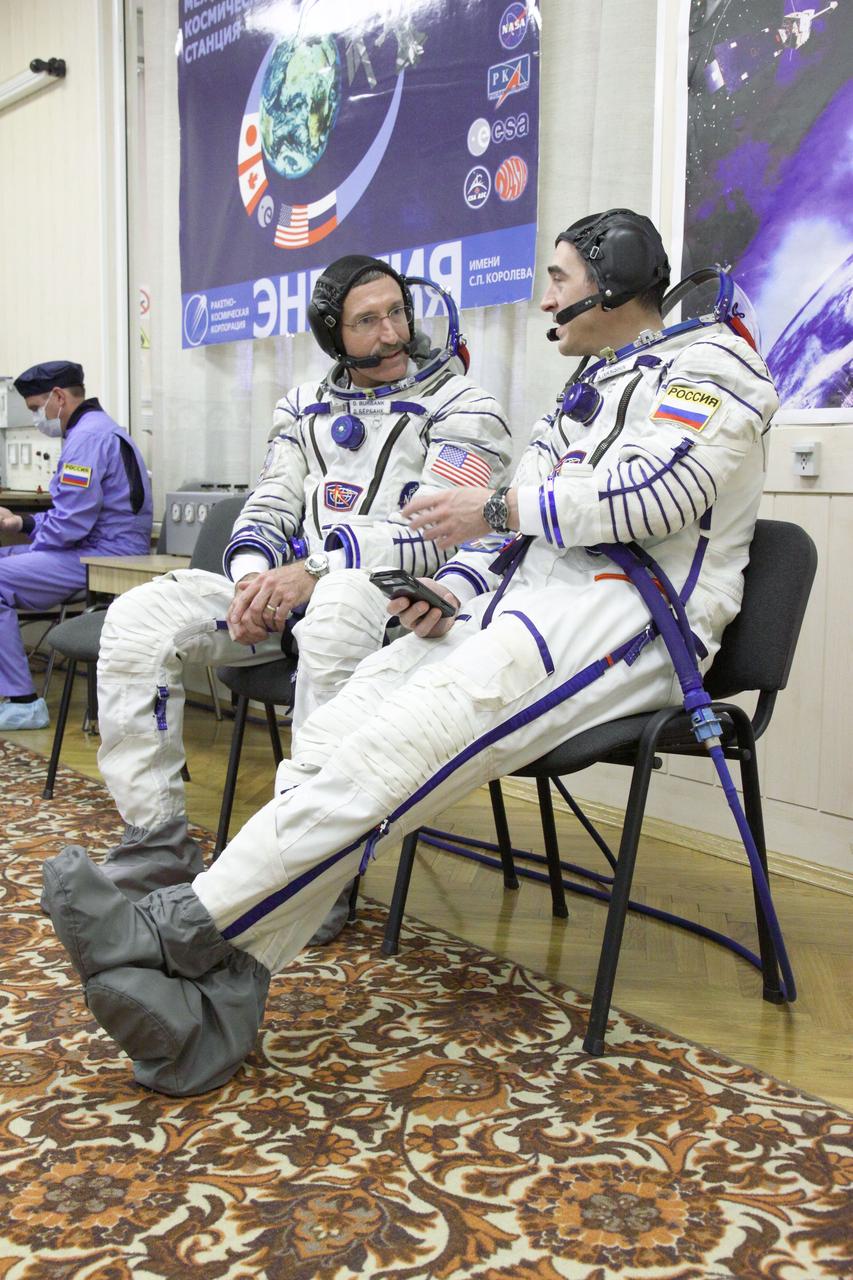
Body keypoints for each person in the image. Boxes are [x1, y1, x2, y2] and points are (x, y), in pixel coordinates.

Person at [43, 209, 779, 1096]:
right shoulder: (587, 381)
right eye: (366, 318)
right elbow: (497, 527)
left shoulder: (710, 367)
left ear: (612, 281)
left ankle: (173, 926)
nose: (545, 296)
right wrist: (452, 591)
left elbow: (653, 493)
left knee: (402, 741)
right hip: (523, 598)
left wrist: (488, 520)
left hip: (635, 612)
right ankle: (230, 987)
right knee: (332, 740)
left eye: (557, 279)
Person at [91, 256, 512, 939]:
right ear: (331, 334)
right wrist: (256, 578)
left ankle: (310, 868)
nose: (389, 332)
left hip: (392, 606)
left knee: (341, 606)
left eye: (396, 313)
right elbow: (271, 501)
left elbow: (438, 536)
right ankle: (155, 846)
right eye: (367, 320)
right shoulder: (303, 407)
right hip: (294, 588)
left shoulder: (465, 408)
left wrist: (314, 573)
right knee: (141, 619)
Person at [0, 361, 152, 731]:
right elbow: (73, 515)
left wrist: (29, 536)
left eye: (37, 409)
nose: (39, 418)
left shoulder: (86, 440)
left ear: (58, 397)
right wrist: (23, 524)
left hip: (103, 557)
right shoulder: (99, 430)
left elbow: (70, 524)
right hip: (96, 548)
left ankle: (23, 701)